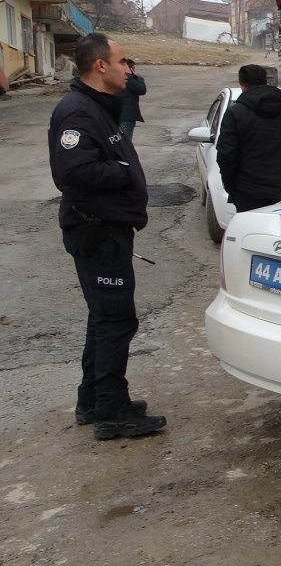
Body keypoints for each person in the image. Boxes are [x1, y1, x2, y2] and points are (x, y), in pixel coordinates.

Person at [47, 33, 167, 440]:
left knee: (105, 318)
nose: (128, 69)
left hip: (108, 230)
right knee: (116, 320)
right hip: (97, 233)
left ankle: (93, 400)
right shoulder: (79, 112)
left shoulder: (98, 107)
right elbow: (72, 173)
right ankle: (112, 414)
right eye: (122, 62)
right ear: (101, 65)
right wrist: (122, 171)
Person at [216, 64, 281, 213]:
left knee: (253, 234)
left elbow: (227, 156)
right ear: (265, 81)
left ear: (242, 85)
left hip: (249, 194)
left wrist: (232, 188)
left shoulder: (235, 113)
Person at [115, 58, 146, 141]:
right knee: (125, 143)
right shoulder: (129, 78)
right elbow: (141, 89)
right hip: (126, 117)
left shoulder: (114, 77)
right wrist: (137, 77)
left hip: (114, 115)